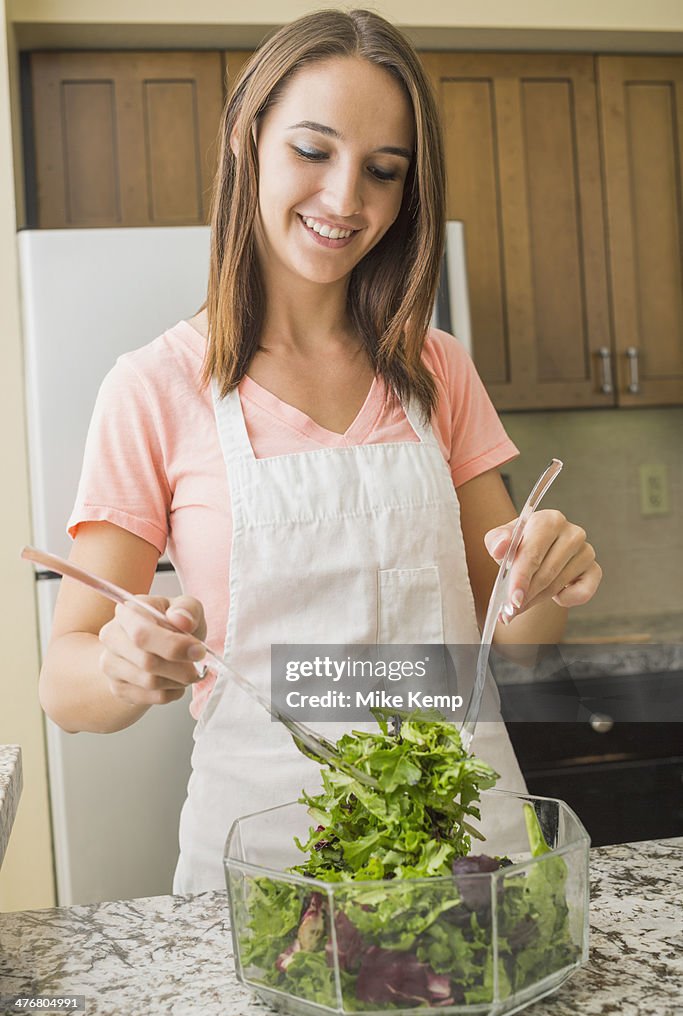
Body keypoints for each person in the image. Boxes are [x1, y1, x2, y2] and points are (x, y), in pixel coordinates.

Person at [39, 8, 602, 894]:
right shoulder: (154, 388)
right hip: (265, 875)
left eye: (384, 171)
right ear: (245, 136)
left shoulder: (435, 369)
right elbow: (63, 686)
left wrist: (548, 571)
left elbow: (522, 634)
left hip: (467, 858)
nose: (347, 200)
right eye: (312, 150)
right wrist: (120, 663)